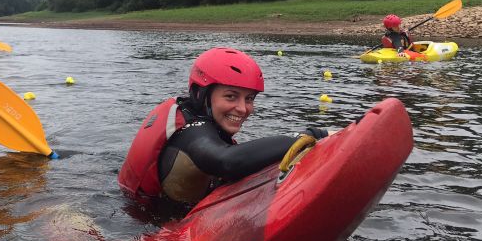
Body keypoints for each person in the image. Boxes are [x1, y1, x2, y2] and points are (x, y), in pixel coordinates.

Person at [118, 47, 329, 210]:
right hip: (145, 224)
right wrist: (308, 136)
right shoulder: (191, 135)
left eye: (249, 99)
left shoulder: (193, 119)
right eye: (231, 96)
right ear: (201, 95)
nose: (243, 108)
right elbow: (228, 161)